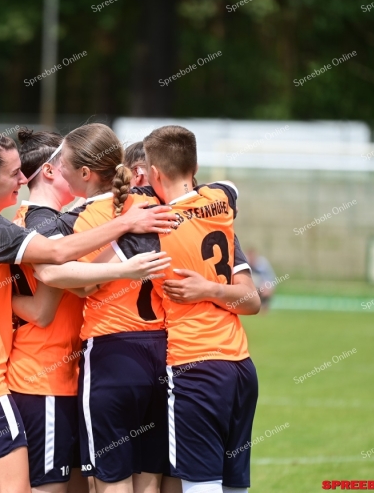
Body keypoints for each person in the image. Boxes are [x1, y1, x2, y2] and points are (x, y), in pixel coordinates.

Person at [0, 127, 175, 493]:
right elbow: (54, 266)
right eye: (13, 174)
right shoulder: (10, 226)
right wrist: (125, 234)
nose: (22, 179)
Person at [9, 128, 169, 493]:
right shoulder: (149, 203)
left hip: (109, 356)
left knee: (110, 483)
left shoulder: (73, 222)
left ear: (84, 174)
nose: (60, 170)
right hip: (162, 351)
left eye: (64, 163)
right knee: (150, 480)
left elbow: (61, 275)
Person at [115, 125, 260, 493]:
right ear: (195, 167)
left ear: (154, 174)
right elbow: (229, 188)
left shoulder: (153, 226)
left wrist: (204, 289)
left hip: (195, 368)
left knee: (201, 485)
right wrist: (214, 288)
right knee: (235, 486)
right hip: (240, 367)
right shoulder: (222, 202)